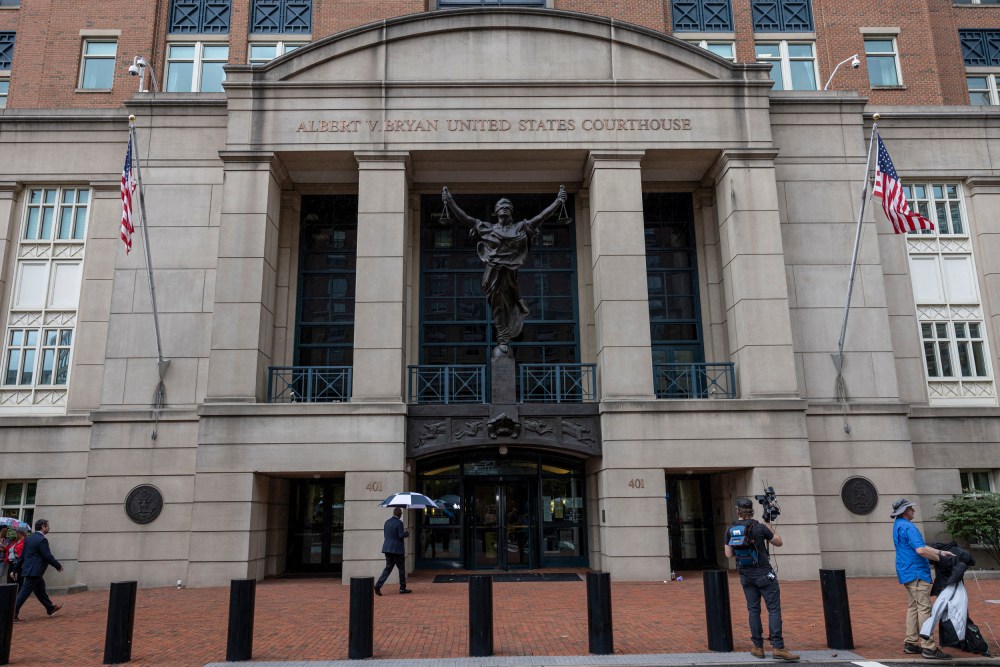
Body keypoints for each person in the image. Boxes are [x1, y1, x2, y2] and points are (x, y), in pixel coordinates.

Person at [441, 186, 568, 355]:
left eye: (507, 206)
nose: (504, 208)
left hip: (510, 275)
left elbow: (541, 217)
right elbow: (466, 218)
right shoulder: (487, 228)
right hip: (493, 275)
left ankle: (510, 329)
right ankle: (503, 338)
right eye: (501, 206)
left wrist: (558, 201)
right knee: (499, 308)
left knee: (512, 307)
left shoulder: (520, 228)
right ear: (496, 211)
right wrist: (450, 202)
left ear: (511, 211)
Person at [724, 497, 799, 661]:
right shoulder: (759, 528)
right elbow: (778, 542)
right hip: (764, 574)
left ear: (738, 511)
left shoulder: (731, 529)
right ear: (751, 511)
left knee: (753, 610)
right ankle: (778, 648)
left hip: (746, 576)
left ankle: (758, 647)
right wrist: (769, 525)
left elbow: (728, 554)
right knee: (773, 609)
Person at [891, 498, 954, 660]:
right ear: (905, 511)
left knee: (914, 607)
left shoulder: (898, 525)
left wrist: (940, 553)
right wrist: (942, 560)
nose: (913, 511)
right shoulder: (909, 527)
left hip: (906, 572)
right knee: (925, 609)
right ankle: (929, 647)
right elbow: (920, 550)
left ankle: (911, 642)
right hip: (917, 572)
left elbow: (920, 546)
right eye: (911, 509)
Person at [13, 519, 63, 623]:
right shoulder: (42, 540)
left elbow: (22, 557)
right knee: (23, 594)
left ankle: (50, 608)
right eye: (48, 526)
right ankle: (12, 614)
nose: (49, 528)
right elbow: (47, 555)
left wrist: (15, 569)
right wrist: (58, 566)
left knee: (40, 591)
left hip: (32, 571)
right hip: (34, 572)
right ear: (43, 527)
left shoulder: (29, 539)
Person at [375, 507, 410, 596]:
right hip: (397, 550)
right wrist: (407, 532)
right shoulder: (399, 523)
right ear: (400, 514)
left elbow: (387, 535)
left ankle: (378, 585)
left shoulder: (387, 522)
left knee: (388, 568)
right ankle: (402, 588)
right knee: (401, 569)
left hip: (387, 549)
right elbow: (400, 535)